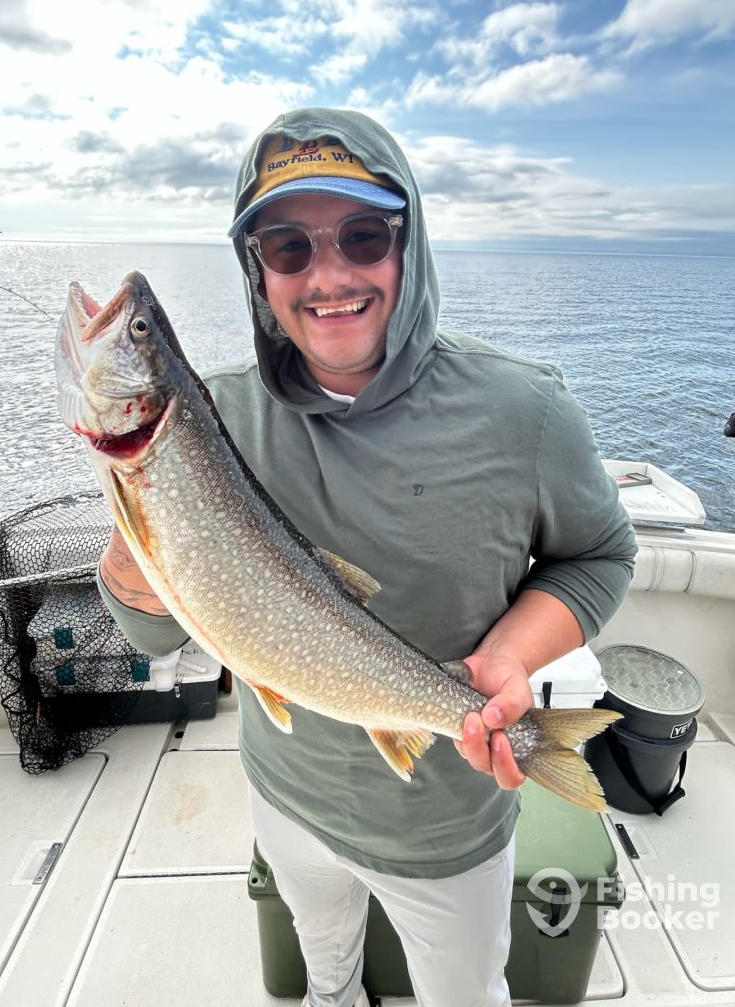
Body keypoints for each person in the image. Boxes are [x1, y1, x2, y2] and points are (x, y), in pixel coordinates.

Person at [97, 107, 637, 1007]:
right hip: (285, 790)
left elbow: (601, 556)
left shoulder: (525, 410)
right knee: (324, 965)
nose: (329, 275)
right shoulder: (211, 415)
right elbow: (153, 637)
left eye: (363, 235)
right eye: (288, 246)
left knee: (464, 991)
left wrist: (509, 657)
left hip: (446, 824)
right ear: (256, 268)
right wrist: (143, 514)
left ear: (408, 242)